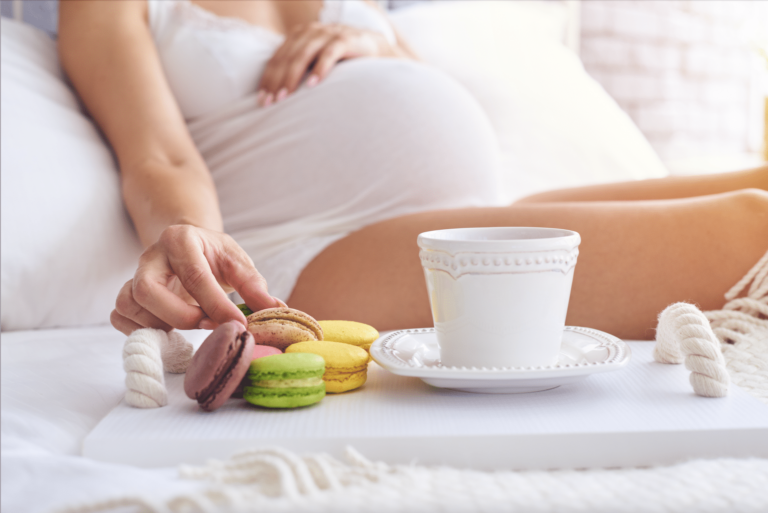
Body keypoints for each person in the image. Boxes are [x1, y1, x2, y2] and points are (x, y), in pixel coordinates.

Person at [58, 0, 768, 341]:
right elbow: (159, 156)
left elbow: (427, 93)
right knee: (751, 230)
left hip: (473, 209)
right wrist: (196, 239)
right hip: (319, 248)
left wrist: (376, 45)